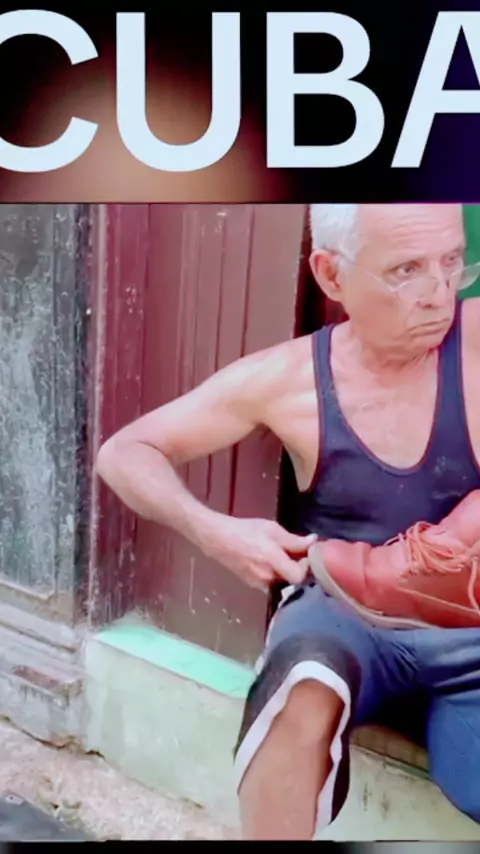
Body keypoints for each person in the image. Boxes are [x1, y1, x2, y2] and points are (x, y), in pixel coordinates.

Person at [96, 204, 480, 841]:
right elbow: (125, 453)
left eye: (452, 262)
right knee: (301, 681)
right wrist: (216, 531)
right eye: (406, 270)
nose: (439, 294)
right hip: (342, 609)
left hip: (469, 624)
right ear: (331, 275)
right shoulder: (287, 380)